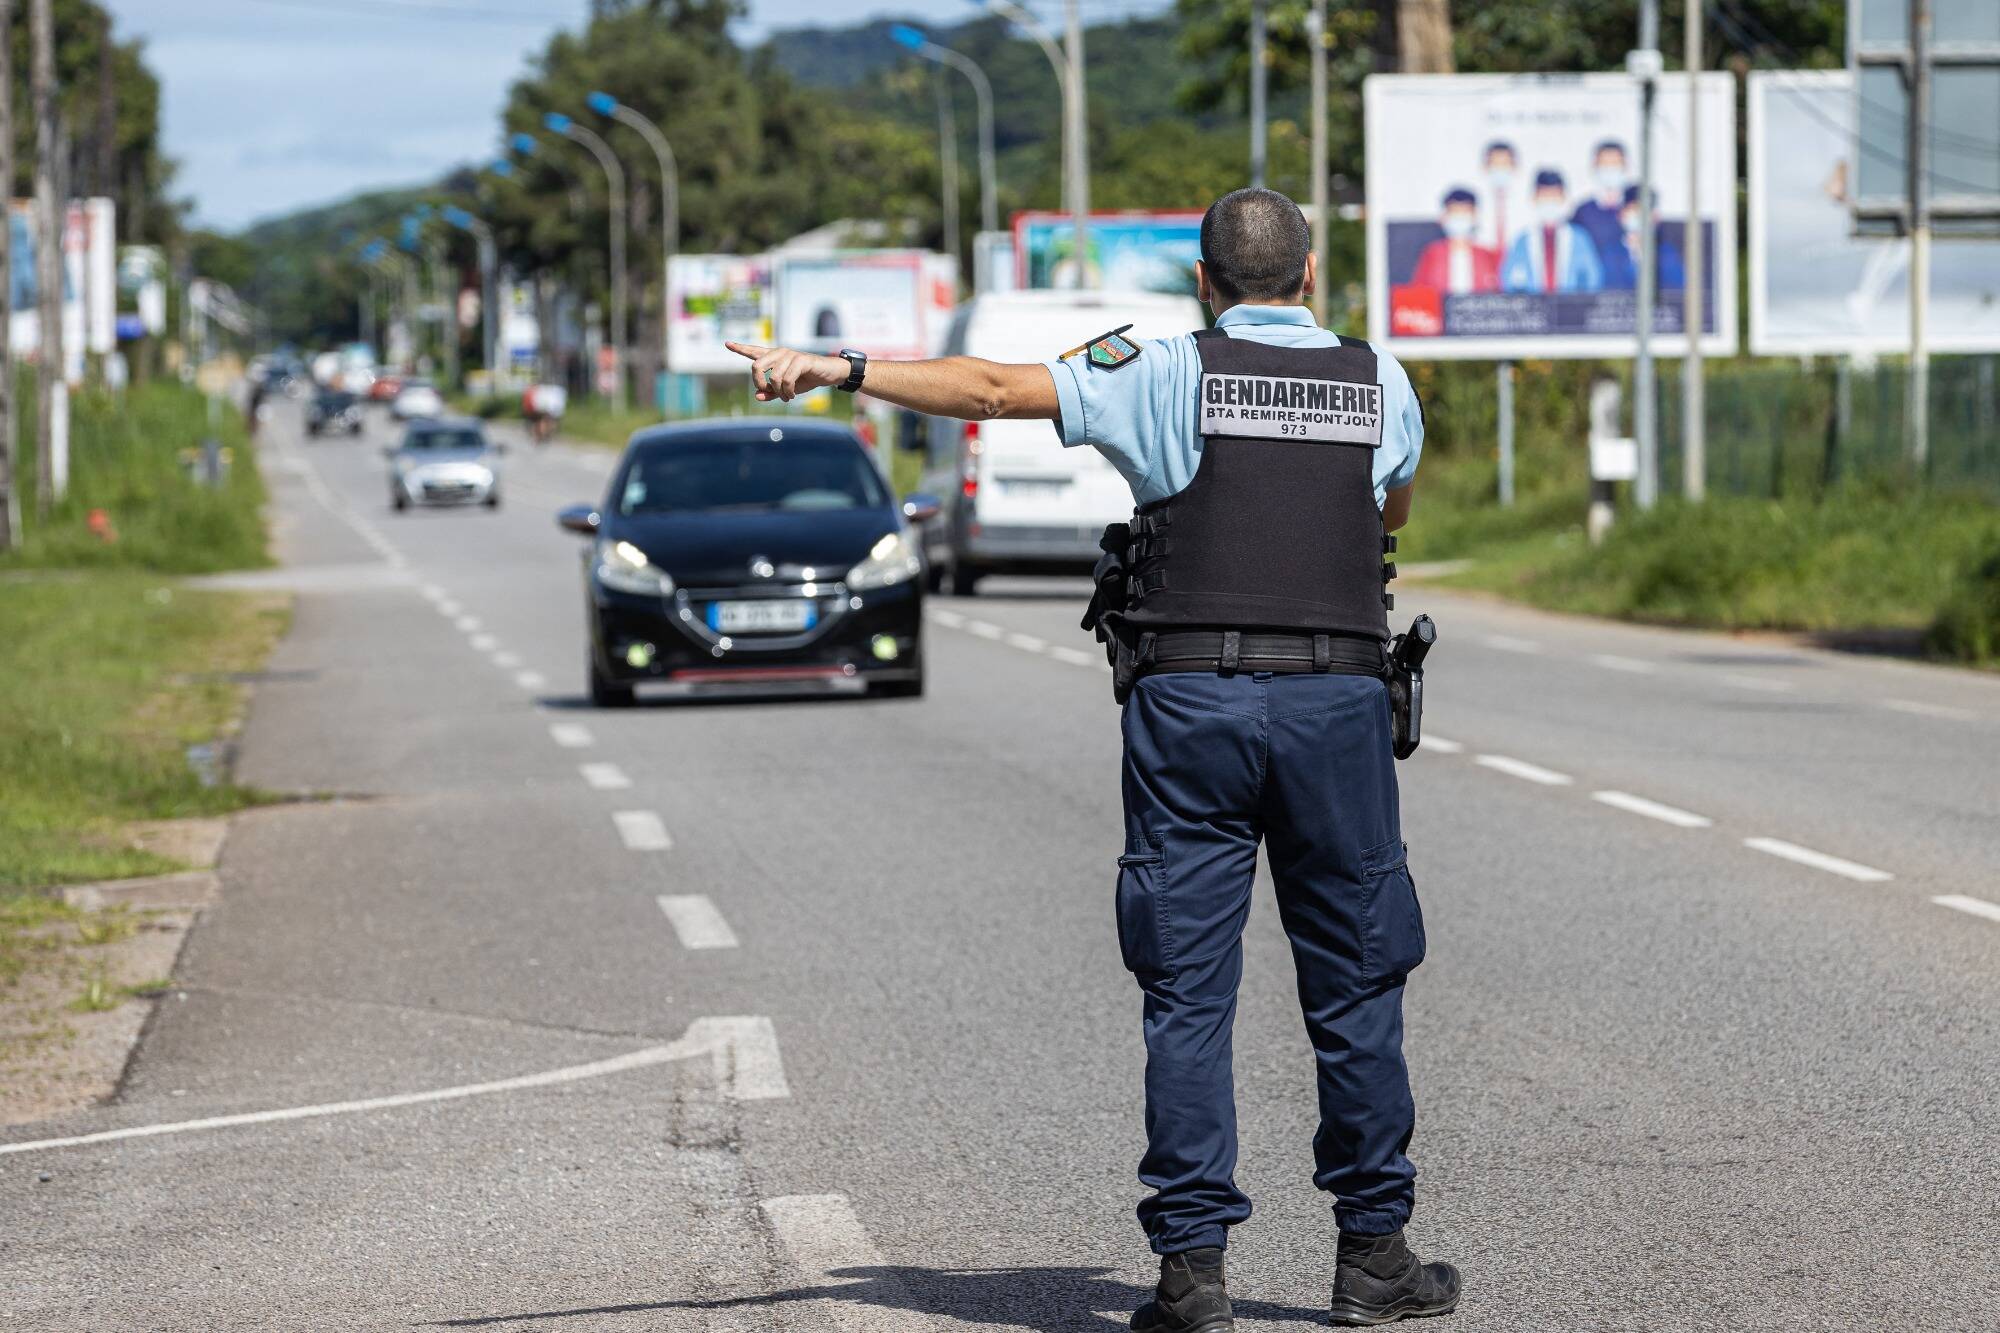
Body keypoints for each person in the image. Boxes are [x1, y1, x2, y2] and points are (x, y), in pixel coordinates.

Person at [727, 187, 1458, 1332]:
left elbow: (988, 389)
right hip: (1336, 707)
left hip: (1190, 705)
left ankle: (1191, 1276)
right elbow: (1389, 512)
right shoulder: (1379, 380)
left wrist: (839, 368)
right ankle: (1372, 1257)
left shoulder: (1156, 367)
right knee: (1357, 978)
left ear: (1202, 283)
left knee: (1187, 991)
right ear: (1310, 276)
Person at [1501, 169, 1603, 294]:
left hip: (1571, 305)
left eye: (1554, 197)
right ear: (1534, 198)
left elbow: (1593, 279)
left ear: (1564, 198)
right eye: (1544, 197)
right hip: (1533, 305)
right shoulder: (1522, 241)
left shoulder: (1580, 239)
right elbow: (1509, 281)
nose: (1549, 202)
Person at [1411, 188, 1500, 295]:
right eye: (1455, 212)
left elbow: (1499, 294)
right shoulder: (1432, 254)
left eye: (1465, 213)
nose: (1460, 218)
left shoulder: (1488, 256)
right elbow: (1419, 292)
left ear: (1475, 217)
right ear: (1444, 218)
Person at [1603, 184, 1685, 293]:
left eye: (1645, 212)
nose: (1639, 216)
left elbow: (1676, 291)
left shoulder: (1666, 253)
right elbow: (1609, 290)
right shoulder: (1611, 252)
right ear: (1621, 215)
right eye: (1633, 210)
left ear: (1655, 217)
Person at [1569, 140, 1631, 277]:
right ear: (1594, 167)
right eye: (1605, 164)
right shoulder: (1583, 212)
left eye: (1615, 164)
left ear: (1625, 166)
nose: (1610, 170)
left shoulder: (1635, 209)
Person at [1475, 139, 1519, 254]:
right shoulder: (1475, 199)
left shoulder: (1526, 200)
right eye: (1495, 164)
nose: (1500, 168)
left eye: (1505, 164)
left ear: (1514, 167)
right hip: (1483, 256)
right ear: (1485, 167)